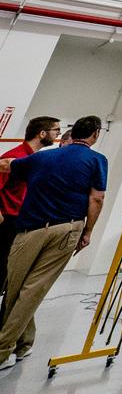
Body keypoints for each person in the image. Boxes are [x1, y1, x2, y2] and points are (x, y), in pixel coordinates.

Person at [0, 115, 106, 370]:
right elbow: (97, 199)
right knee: (31, 289)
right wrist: (88, 232)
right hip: (66, 229)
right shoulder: (96, 160)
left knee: (18, 287)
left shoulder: (42, 157)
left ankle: (23, 344)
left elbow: (6, 164)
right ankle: (4, 349)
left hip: (28, 230)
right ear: (95, 134)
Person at [0, 117, 61, 303]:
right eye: (56, 130)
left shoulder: (35, 159)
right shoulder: (15, 157)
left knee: (9, 272)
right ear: (42, 134)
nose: (58, 133)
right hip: (7, 221)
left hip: (21, 221)